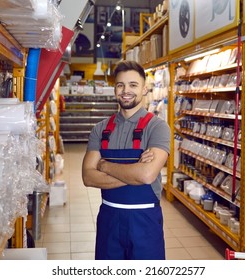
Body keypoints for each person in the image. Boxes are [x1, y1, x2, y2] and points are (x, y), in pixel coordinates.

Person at [82, 60, 171, 260]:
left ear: (144, 89)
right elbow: (88, 177)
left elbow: (147, 175)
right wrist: (135, 172)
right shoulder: (101, 129)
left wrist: (104, 166)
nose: (126, 90)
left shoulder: (157, 128)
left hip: (145, 222)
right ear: (115, 89)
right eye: (120, 85)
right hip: (109, 220)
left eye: (133, 85)